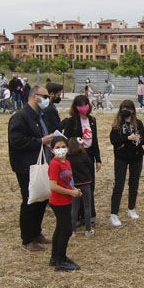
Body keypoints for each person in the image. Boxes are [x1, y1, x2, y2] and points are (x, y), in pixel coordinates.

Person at [7, 85, 55, 251]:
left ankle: (36, 232)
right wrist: (41, 141)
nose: (47, 100)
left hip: (42, 164)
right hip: (26, 166)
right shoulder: (20, 117)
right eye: (45, 96)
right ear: (35, 96)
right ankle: (27, 239)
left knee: (42, 198)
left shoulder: (40, 116)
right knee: (30, 200)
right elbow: (17, 141)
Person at [60, 95, 102, 227]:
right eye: (80, 105)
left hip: (88, 156)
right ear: (76, 107)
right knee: (76, 185)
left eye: (85, 104)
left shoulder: (92, 120)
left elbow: (95, 141)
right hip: (75, 157)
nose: (83, 107)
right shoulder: (72, 121)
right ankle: (75, 216)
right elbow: (66, 138)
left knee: (89, 186)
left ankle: (88, 215)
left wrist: (98, 159)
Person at [47, 135, 81, 271]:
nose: (60, 150)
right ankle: (61, 260)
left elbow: (67, 181)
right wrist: (70, 193)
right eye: (57, 148)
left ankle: (55, 257)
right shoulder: (54, 164)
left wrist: (74, 190)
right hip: (58, 202)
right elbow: (53, 186)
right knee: (66, 230)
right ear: (52, 150)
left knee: (60, 228)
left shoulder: (66, 162)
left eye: (63, 147)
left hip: (66, 200)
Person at [109, 100, 144, 227]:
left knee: (134, 183)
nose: (127, 111)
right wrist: (126, 138)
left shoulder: (138, 123)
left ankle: (131, 208)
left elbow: (143, 140)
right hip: (121, 158)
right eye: (124, 108)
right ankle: (114, 214)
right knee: (119, 184)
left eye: (129, 108)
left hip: (136, 157)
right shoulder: (117, 124)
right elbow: (114, 140)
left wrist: (135, 139)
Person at [67, 133, 95, 236]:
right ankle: (87, 230)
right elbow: (89, 165)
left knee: (74, 208)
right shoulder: (84, 155)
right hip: (85, 184)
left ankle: (72, 230)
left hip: (74, 185)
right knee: (87, 206)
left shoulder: (68, 157)